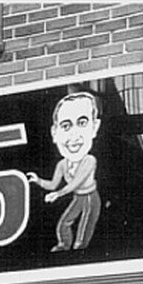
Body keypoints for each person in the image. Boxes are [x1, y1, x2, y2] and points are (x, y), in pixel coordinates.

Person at [27, 91, 102, 252]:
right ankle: (64, 245)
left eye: (82, 123)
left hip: (91, 198)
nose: (74, 135)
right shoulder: (62, 164)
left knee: (85, 228)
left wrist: (58, 195)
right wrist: (38, 180)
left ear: (94, 128)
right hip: (78, 198)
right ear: (54, 133)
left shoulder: (90, 160)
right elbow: (53, 184)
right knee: (64, 223)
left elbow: (75, 183)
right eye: (66, 126)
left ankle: (79, 250)